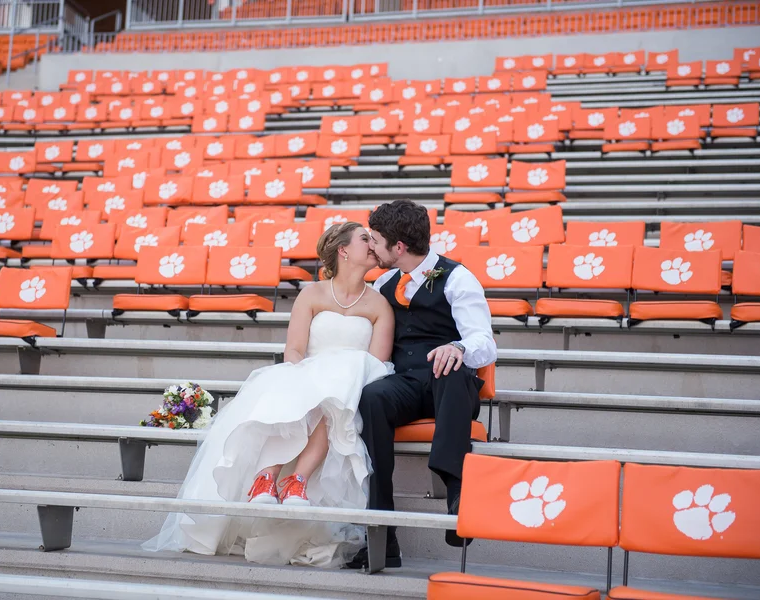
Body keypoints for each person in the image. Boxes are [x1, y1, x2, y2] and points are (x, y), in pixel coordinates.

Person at [143, 222, 395, 567]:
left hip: (352, 383)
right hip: (308, 371)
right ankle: (267, 479)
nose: (373, 245)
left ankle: (297, 481)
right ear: (344, 250)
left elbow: (377, 363)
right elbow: (294, 348)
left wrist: (338, 382)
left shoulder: (380, 305)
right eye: (365, 238)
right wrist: (303, 375)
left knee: (334, 396)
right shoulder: (312, 294)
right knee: (295, 393)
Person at [346, 200, 497, 570]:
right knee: (372, 397)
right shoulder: (383, 283)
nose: (371, 246)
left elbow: (485, 342)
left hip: (448, 389)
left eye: (376, 240)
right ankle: (382, 532)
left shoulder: (458, 277)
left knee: (452, 370)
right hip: (405, 384)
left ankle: (458, 493)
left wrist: (458, 346)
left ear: (398, 247)